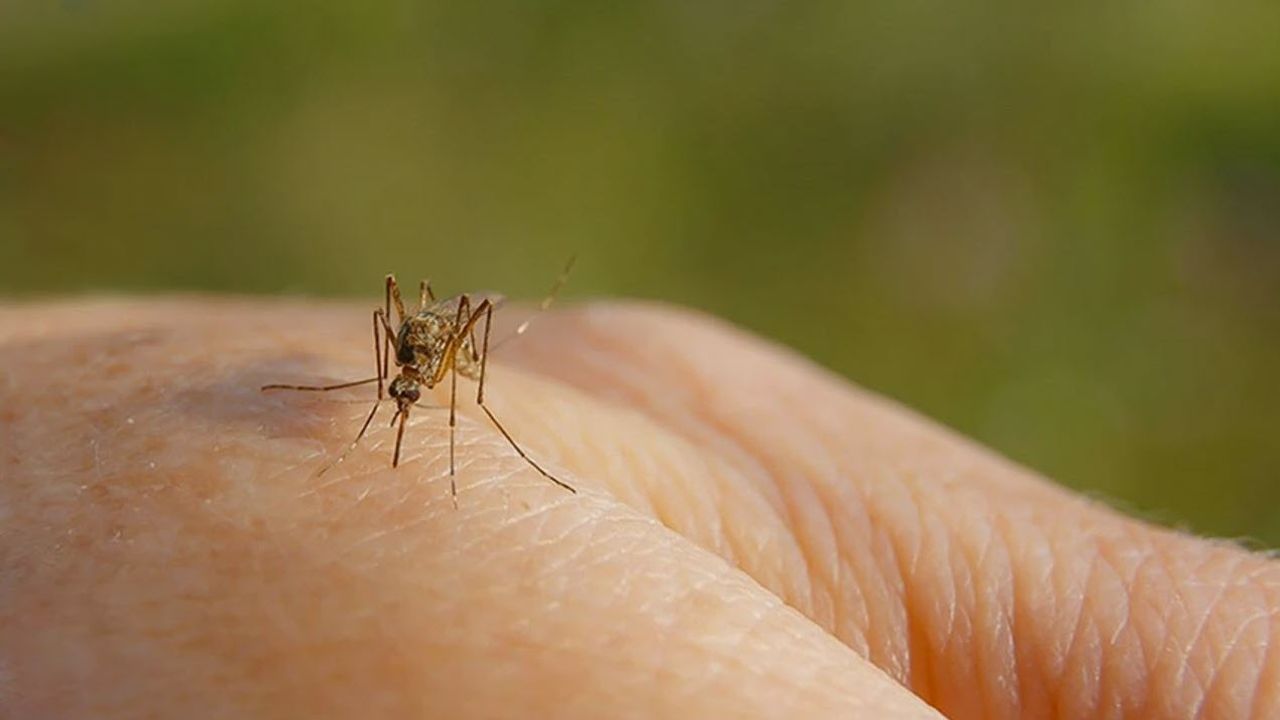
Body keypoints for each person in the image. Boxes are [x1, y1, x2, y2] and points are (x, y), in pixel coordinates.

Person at [1, 298, 1275, 719]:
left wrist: (468, 417)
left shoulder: (444, 357)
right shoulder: (387, 360)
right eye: (400, 375)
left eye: (405, 376)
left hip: (477, 365)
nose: (397, 389)